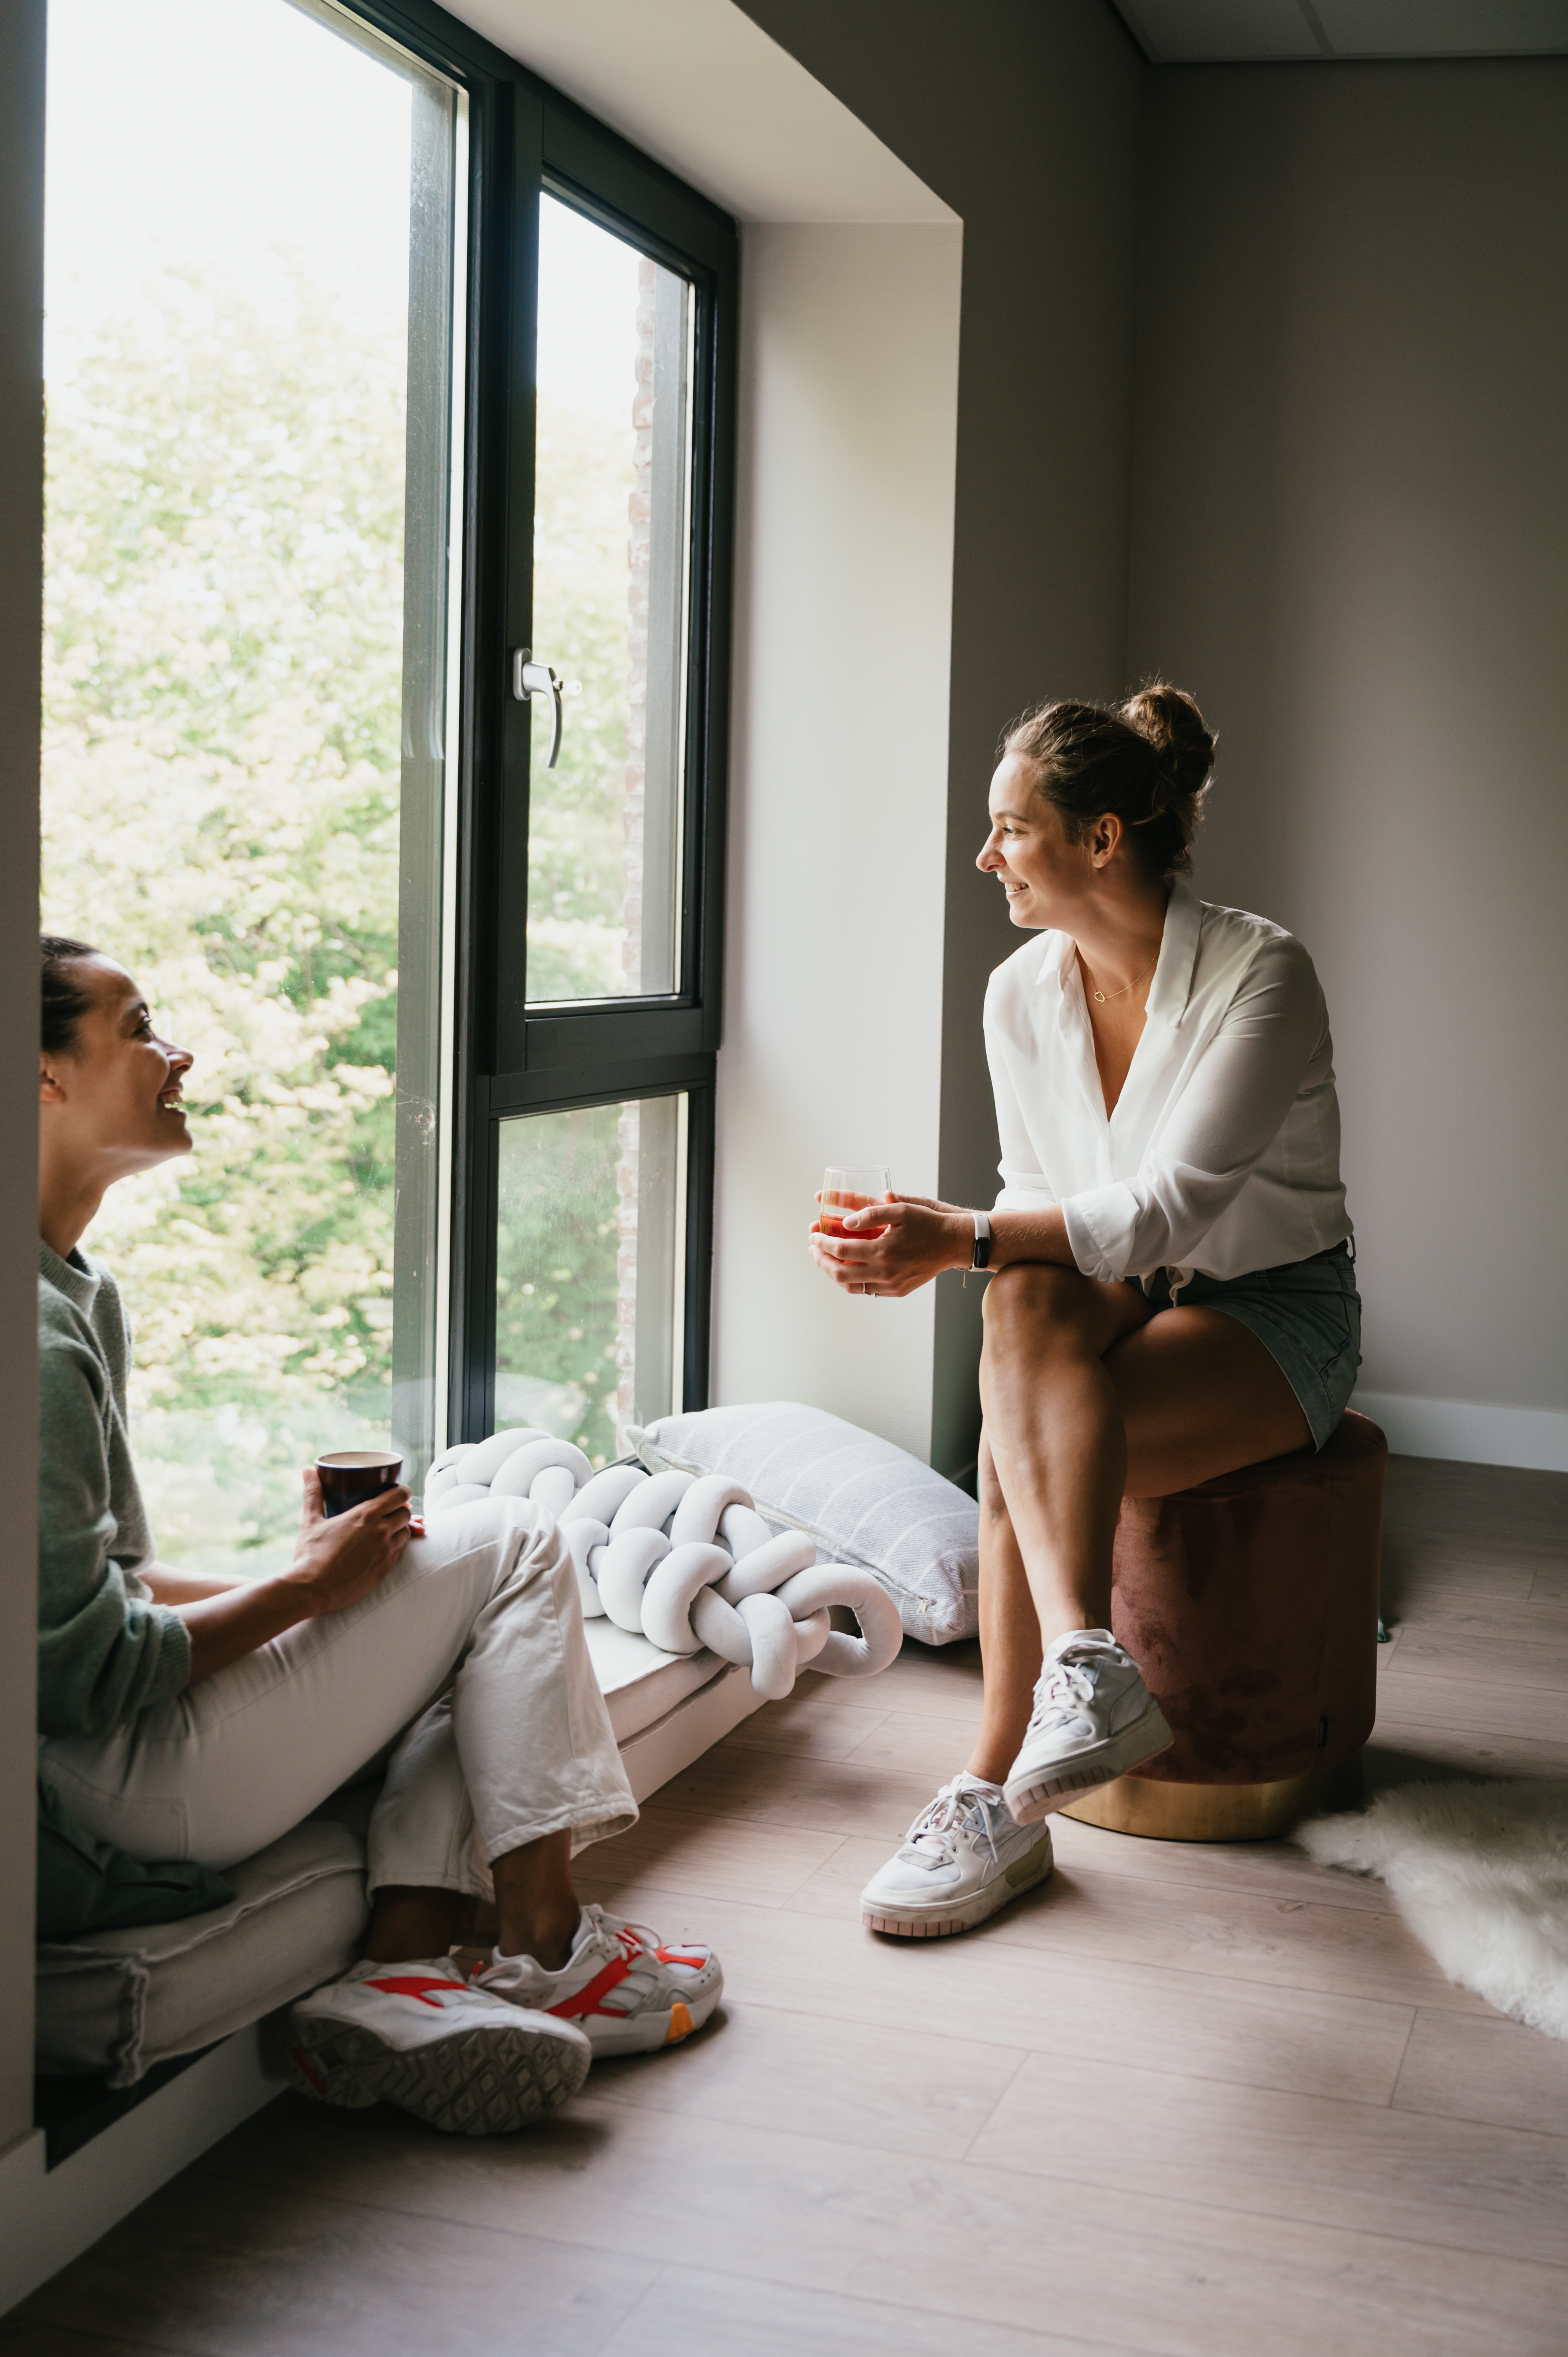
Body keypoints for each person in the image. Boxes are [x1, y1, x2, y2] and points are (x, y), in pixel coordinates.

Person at [37, 936, 722, 2134]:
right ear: (40, 1076)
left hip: (116, 1748)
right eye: (139, 1027)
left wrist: (317, 1579)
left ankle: (402, 1972)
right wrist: (307, 1595)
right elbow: (81, 1673)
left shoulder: (74, 1289)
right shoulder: (33, 1344)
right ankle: (546, 1946)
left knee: (450, 1606)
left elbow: (113, 1587)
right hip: (104, 1783)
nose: (178, 1054)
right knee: (512, 1543)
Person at [810, 689, 1359, 1940]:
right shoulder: (1020, 994)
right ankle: (1085, 1667)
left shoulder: (1262, 974)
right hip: (1116, 1295)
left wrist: (954, 1239)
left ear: (1101, 840)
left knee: (1019, 1441)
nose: (986, 855)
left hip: (1274, 1308)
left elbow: (1166, 1212)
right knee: (1021, 1299)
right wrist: (960, 1240)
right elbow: (1037, 1206)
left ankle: (996, 1793)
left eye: (1011, 828)